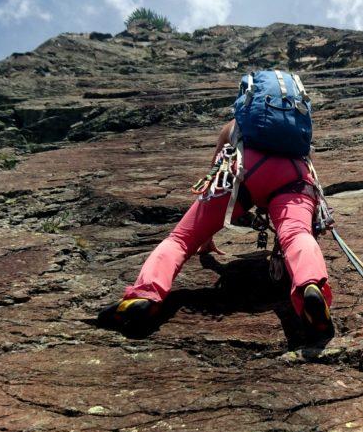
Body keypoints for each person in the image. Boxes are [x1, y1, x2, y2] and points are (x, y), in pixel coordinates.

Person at [99, 116, 333, 337]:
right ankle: (310, 285)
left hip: (241, 173)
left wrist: (206, 235)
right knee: (296, 234)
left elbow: (214, 169)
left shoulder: (236, 124)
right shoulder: (296, 128)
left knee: (180, 239)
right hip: (292, 176)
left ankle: (144, 295)